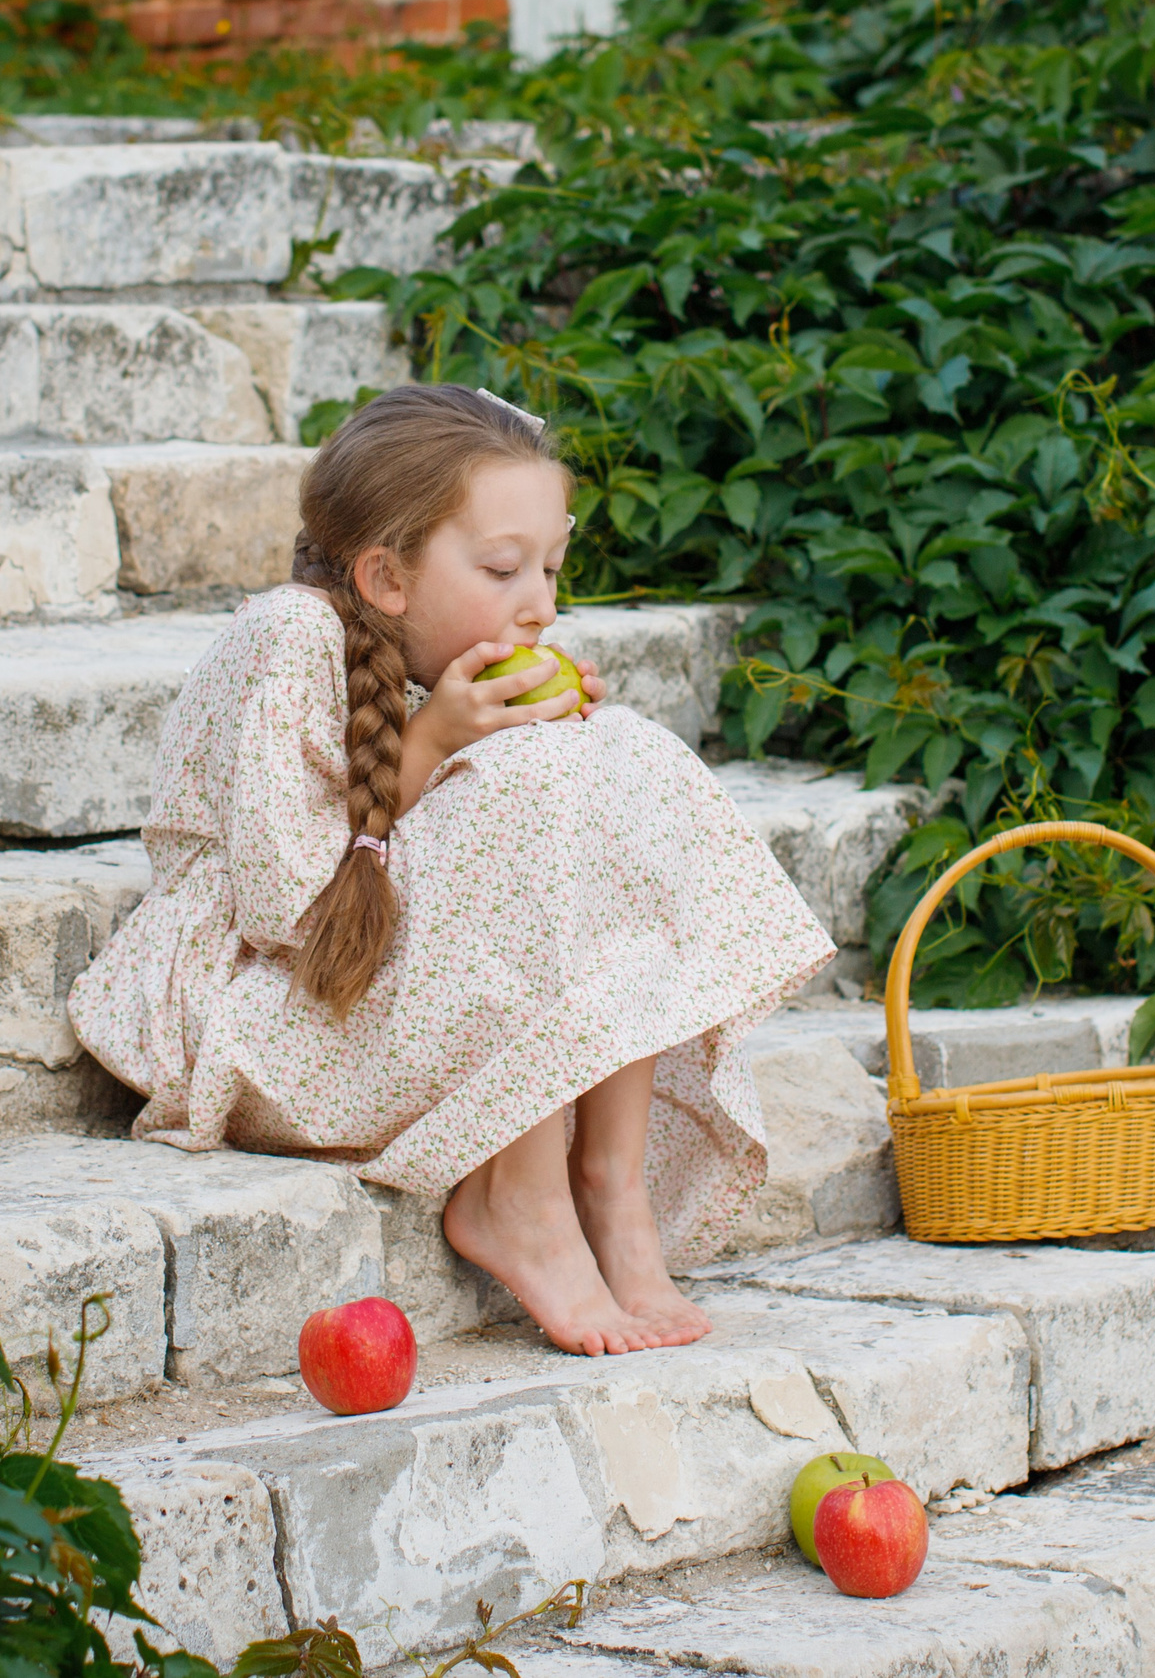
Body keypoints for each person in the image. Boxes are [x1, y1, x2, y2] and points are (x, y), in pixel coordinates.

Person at [69, 384, 834, 1355]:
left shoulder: (425, 649)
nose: (542, 607)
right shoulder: (286, 636)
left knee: (621, 753)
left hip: (368, 993)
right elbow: (286, 912)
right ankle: (519, 1196)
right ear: (386, 577)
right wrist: (434, 743)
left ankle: (609, 1184)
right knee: (540, 776)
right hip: (269, 1018)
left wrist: (541, 740)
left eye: (551, 570)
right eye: (504, 569)